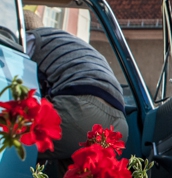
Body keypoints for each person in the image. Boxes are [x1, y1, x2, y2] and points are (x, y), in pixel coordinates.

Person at [23, 9, 128, 160]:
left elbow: (11, 62)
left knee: (10, 140)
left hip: (81, 109)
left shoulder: (31, 39)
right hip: (119, 125)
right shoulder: (65, 41)